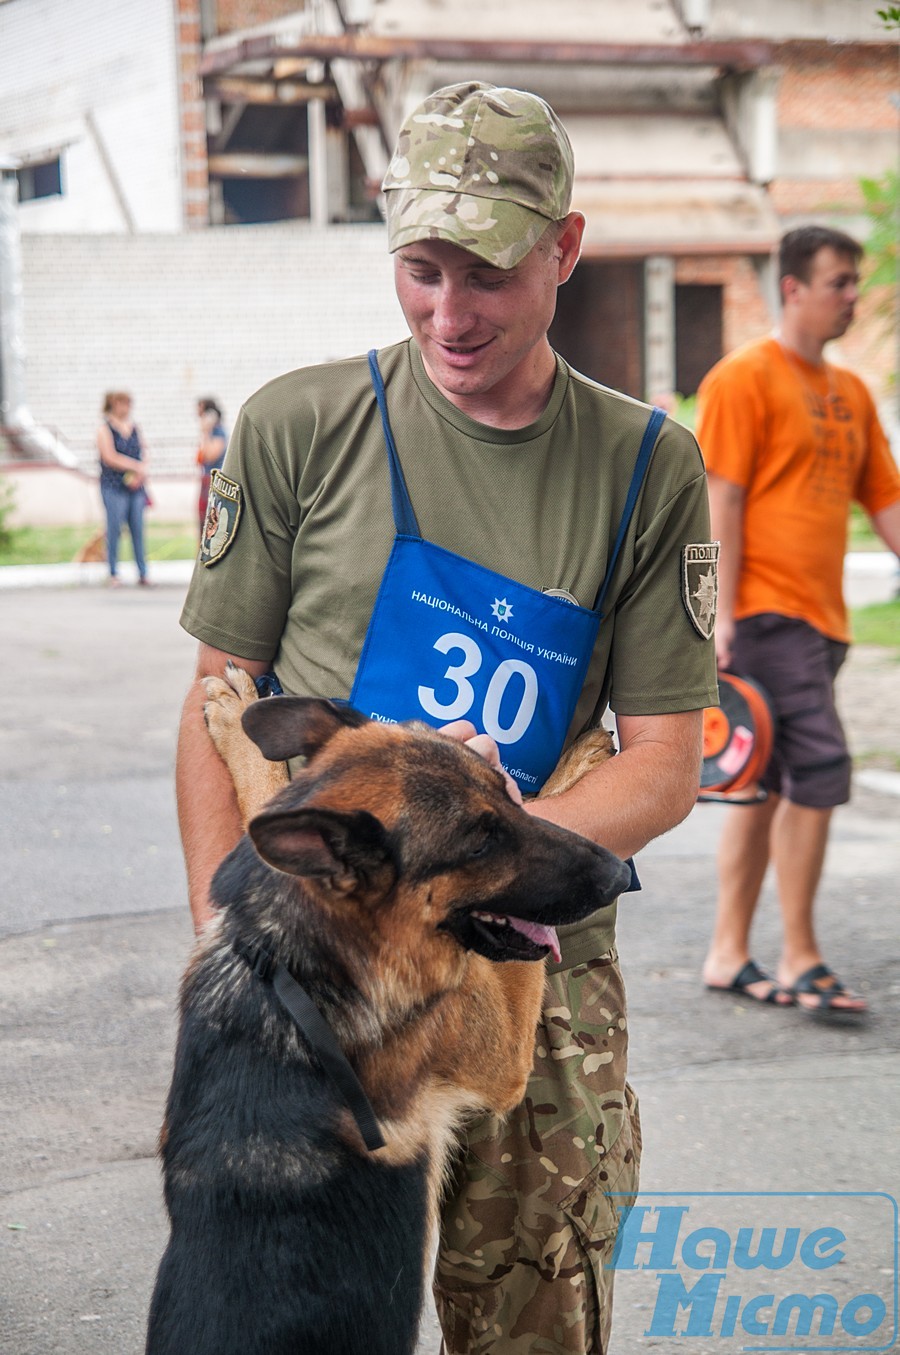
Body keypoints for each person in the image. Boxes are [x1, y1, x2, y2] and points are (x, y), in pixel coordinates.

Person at [176, 82, 718, 1354]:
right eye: (421, 270)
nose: (450, 312)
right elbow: (217, 705)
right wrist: (218, 941)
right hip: (315, 973)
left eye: (489, 273)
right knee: (282, 1321)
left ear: (564, 249)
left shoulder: (643, 464)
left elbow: (664, 761)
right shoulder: (300, 428)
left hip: (522, 959)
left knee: (532, 1304)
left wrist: (487, 836)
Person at [699, 225, 900, 1017]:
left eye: (854, 282)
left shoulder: (850, 393)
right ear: (793, 287)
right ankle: (801, 955)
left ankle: (728, 952)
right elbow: (724, 499)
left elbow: (885, 498)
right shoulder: (743, 378)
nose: (853, 295)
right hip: (765, 613)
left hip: (824, 624)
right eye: (840, 282)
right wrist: (716, 613)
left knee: (769, 787)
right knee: (821, 766)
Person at [96, 390, 151, 587]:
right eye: (122, 403)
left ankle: (143, 572)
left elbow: (144, 453)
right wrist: (135, 466)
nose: (126, 407)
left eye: (128, 403)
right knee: (114, 528)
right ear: (113, 404)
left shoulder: (135, 428)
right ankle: (113, 572)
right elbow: (109, 457)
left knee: (138, 529)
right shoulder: (105, 429)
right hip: (114, 487)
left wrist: (141, 472)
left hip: (135, 487)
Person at [195, 397, 228, 537]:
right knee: (202, 521)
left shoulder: (218, 432)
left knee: (211, 520)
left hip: (213, 480)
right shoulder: (209, 434)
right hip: (205, 478)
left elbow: (210, 455)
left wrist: (206, 432)